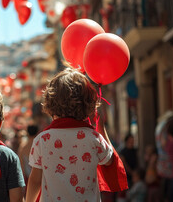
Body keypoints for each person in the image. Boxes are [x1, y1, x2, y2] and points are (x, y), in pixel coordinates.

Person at [26, 68, 114, 202]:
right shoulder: (93, 138)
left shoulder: (42, 140)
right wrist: (100, 126)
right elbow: (110, 160)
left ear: (51, 102)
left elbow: (35, 181)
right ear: (88, 103)